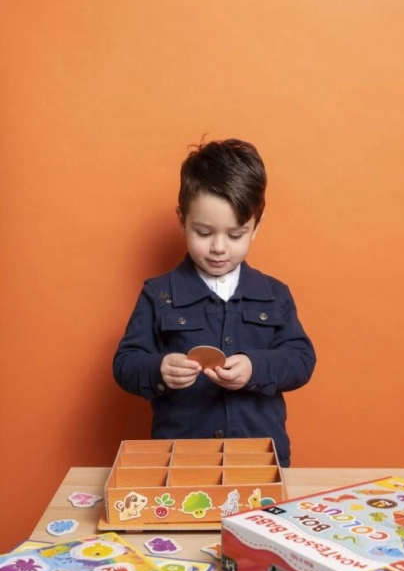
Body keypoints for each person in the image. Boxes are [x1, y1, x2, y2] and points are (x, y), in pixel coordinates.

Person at [113, 138, 316, 467]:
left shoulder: (274, 293)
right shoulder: (158, 293)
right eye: (204, 233)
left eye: (235, 235)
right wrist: (159, 369)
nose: (219, 247)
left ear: (255, 227)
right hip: (181, 460)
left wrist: (254, 367)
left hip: (260, 461)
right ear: (182, 220)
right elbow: (125, 363)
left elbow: (302, 360)